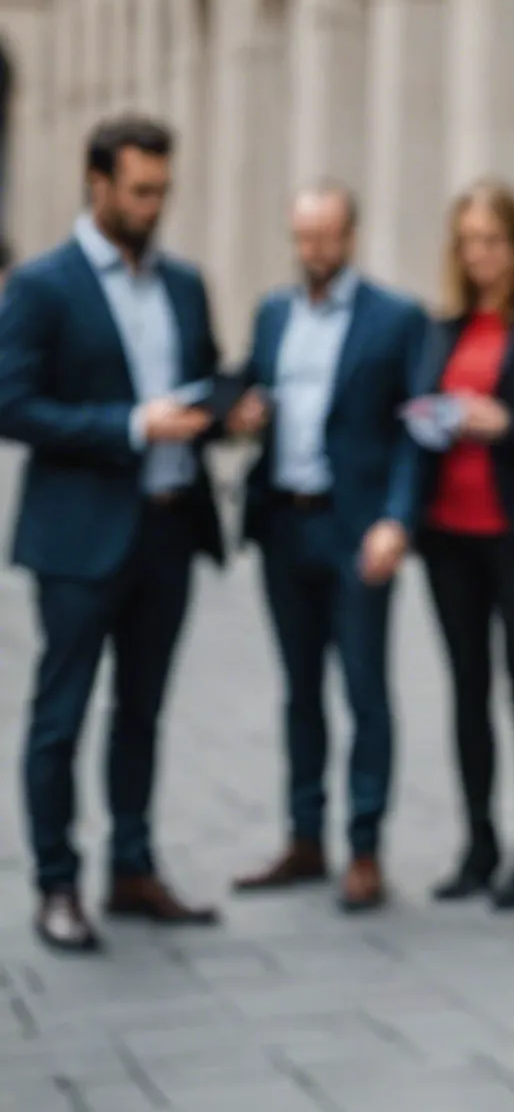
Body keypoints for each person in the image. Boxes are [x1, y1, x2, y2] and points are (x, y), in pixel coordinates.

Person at [0, 116, 228, 951]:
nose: (153, 205)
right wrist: (130, 423)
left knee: (143, 712)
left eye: (163, 190)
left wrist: (226, 411)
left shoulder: (184, 283)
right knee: (59, 715)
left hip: (167, 530)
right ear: (96, 183)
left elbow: (203, 374)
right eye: (139, 190)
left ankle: (132, 866)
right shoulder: (43, 284)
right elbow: (11, 404)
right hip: (78, 537)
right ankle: (57, 884)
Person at [381, 178, 514, 912]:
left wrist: (506, 422)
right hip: (450, 535)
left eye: (493, 241)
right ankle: (478, 843)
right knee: (466, 691)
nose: (481, 256)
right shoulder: (441, 325)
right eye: (469, 242)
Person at [228, 183, 430, 912]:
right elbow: (248, 389)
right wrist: (240, 414)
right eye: (304, 237)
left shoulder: (396, 317)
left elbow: (415, 429)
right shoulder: (274, 313)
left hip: (357, 530)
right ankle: (305, 835)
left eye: (327, 236)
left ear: (351, 234)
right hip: (285, 523)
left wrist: (397, 520)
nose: (315, 250)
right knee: (299, 690)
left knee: (365, 691)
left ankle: (366, 846)